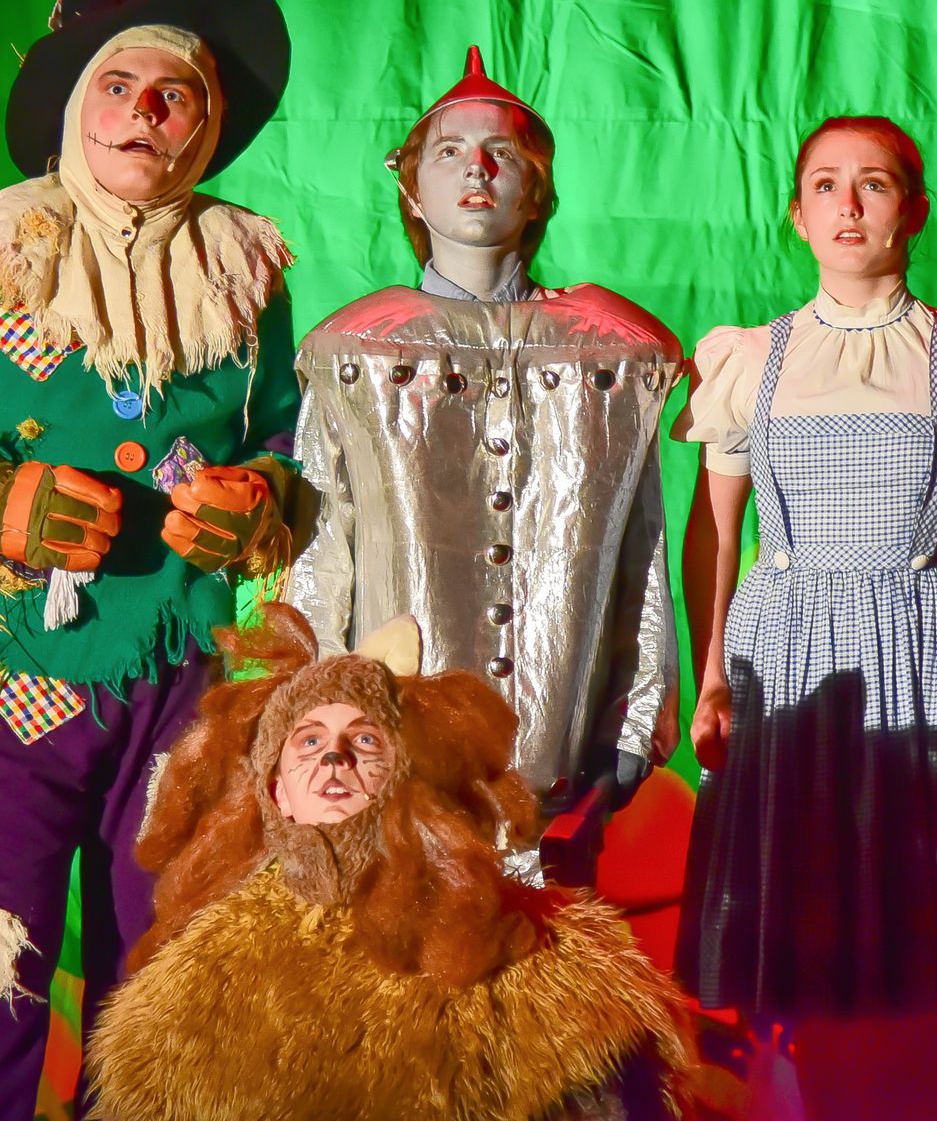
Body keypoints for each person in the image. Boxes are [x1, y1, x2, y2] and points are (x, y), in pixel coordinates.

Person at [0, 0, 301, 1119]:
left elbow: (288, 429)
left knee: (162, 962)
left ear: (209, 123)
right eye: (118, 85)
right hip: (15, 674)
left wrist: (266, 497)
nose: (144, 111)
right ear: (70, 107)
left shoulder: (246, 268)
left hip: (181, 676)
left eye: (173, 94)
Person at [672, 116, 937, 1117]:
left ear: (913, 211)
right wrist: (711, 669)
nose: (849, 204)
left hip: (925, 664)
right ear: (797, 213)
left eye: (874, 183)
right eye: (826, 184)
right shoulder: (750, 358)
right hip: (793, 665)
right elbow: (715, 534)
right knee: (802, 949)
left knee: (911, 954)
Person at [283, 48, 682, 878]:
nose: (478, 169)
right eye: (449, 151)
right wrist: (313, 718)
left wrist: (637, 717)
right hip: (392, 748)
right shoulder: (355, 348)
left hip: (559, 748)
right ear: (410, 188)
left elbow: (641, 546)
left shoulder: (612, 355)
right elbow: (324, 543)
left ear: (535, 190)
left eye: (502, 154)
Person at [81, 604, 694, 1120]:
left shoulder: (534, 955)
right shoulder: (198, 974)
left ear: (406, 771)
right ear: (276, 792)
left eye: (366, 740)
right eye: (309, 741)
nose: (334, 758)